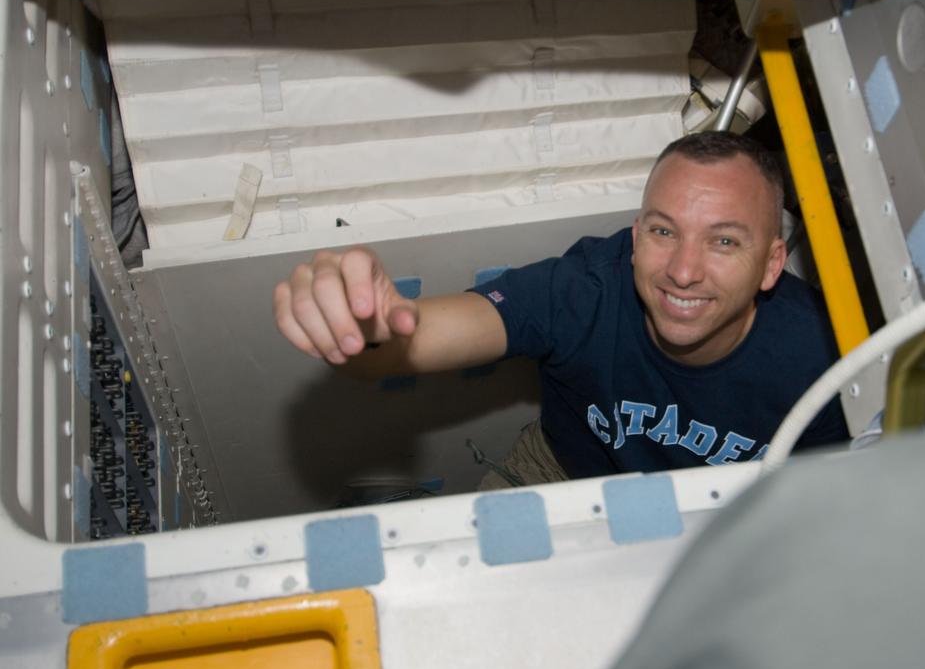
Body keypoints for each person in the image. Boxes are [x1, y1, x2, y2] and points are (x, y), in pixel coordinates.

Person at [273, 132, 848, 487]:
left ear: (772, 264)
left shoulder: (827, 355)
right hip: (558, 473)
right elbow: (416, 343)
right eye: (663, 230)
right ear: (636, 233)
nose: (683, 270)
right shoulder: (585, 289)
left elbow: (830, 502)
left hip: (724, 521)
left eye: (724, 241)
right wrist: (365, 327)